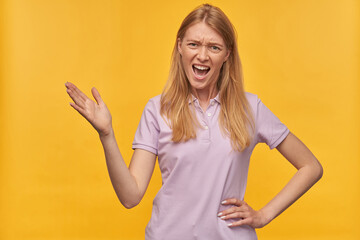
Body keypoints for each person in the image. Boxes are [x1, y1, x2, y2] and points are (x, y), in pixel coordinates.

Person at [65, 4, 323, 240]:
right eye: (193, 44)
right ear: (179, 47)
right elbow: (131, 197)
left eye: (214, 47)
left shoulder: (250, 108)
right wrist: (107, 134)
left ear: (227, 55)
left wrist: (264, 215)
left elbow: (311, 166)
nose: (202, 56)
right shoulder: (157, 109)